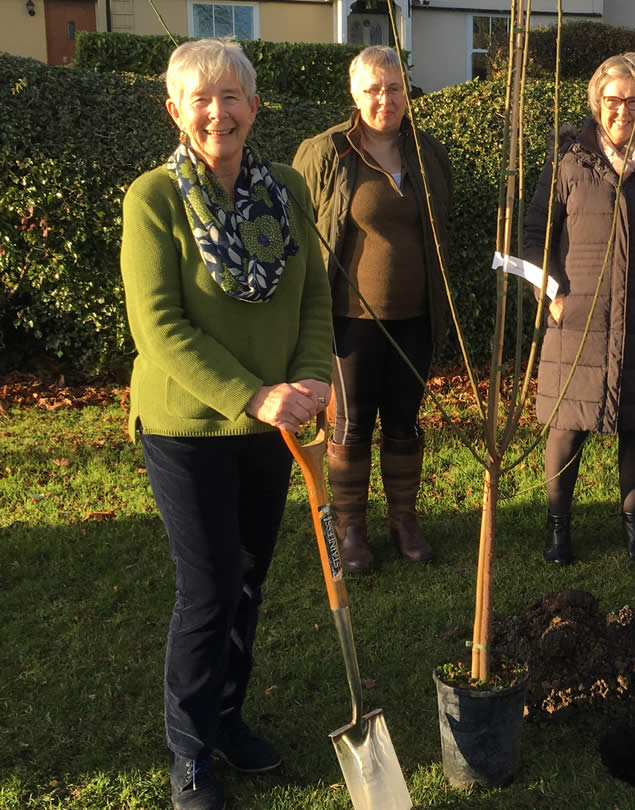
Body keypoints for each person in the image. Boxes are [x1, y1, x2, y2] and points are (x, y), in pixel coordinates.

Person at [120, 39, 332, 810]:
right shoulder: (153, 199)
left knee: (249, 581)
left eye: (231, 96)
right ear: (177, 112)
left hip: (271, 425)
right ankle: (190, 753)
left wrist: (310, 375)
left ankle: (228, 718)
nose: (219, 112)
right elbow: (160, 329)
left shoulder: (287, 192)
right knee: (208, 589)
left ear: (253, 105)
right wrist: (256, 394)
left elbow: (313, 297)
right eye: (200, 99)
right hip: (188, 427)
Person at [524, 52, 635, 566]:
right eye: (613, 99)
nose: (622, 109)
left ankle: (634, 528)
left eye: (633, 100)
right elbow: (535, 233)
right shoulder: (569, 158)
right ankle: (558, 528)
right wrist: (548, 291)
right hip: (576, 315)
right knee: (567, 424)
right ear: (598, 101)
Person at [293, 45, 452, 572]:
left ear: (407, 91)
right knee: (353, 424)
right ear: (354, 94)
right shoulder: (325, 152)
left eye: (395, 88)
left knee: (404, 422)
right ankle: (351, 528)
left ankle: (405, 520)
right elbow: (301, 233)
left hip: (415, 316)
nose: (385, 99)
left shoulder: (427, 153)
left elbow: (439, 231)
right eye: (373, 89)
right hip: (349, 320)